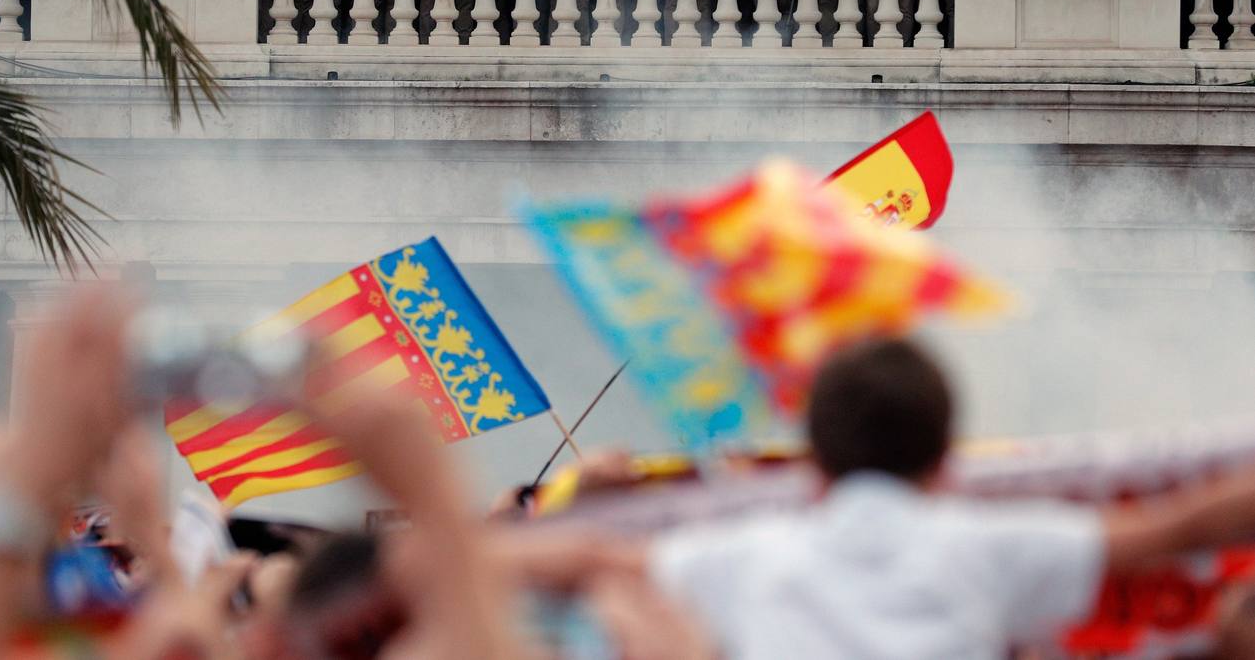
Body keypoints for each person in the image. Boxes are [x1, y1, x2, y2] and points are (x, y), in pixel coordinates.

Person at [504, 338, 1255, 660]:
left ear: (815, 461)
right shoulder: (985, 547)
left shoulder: (734, 557)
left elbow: (560, 566)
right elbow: (1173, 525)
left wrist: (581, 503)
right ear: (943, 458)